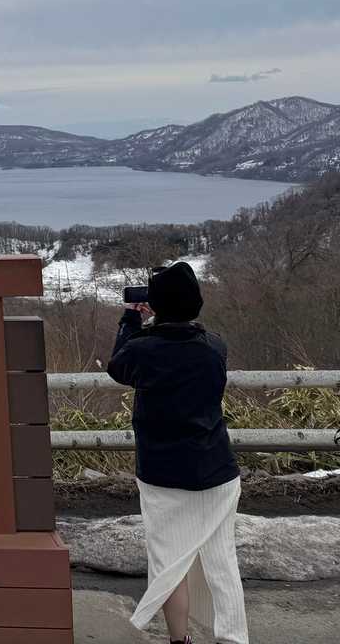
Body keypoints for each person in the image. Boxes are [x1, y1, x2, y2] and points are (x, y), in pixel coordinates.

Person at [107, 261, 247, 644]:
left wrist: (132, 319)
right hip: (217, 469)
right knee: (221, 560)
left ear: (156, 305)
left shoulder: (143, 350)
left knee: (169, 563)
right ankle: (232, 637)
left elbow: (118, 366)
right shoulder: (215, 346)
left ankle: (179, 639)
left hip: (163, 474)